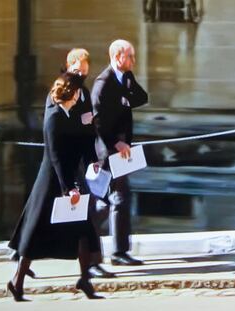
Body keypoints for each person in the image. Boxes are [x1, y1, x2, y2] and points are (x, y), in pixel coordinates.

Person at [7, 72, 104, 301]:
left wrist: (93, 162)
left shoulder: (75, 114)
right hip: (52, 180)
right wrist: (68, 187)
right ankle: (17, 281)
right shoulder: (53, 117)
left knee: (83, 230)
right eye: (79, 92)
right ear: (73, 93)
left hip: (72, 178)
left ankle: (84, 280)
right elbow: (55, 156)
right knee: (35, 232)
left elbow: (84, 142)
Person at [91, 39, 148, 266]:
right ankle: (90, 249)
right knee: (105, 202)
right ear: (117, 57)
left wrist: (125, 94)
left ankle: (119, 251)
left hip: (122, 149)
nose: (134, 60)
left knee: (120, 199)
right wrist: (115, 143)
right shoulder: (102, 83)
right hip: (108, 151)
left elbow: (142, 98)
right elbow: (97, 120)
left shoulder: (125, 78)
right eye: (130, 56)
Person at [63, 48, 115, 278]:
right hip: (66, 164)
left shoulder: (83, 92)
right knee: (45, 215)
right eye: (78, 70)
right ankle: (24, 255)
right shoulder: (62, 89)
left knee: (92, 210)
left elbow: (87, 130)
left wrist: (92, 159)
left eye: (84, 71)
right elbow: (57, 126)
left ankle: (92, 262)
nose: (82, 74)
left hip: (82, 163)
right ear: (70, 65)